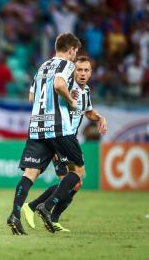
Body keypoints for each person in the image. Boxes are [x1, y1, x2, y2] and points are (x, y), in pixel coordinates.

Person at [7, 33, 83, 235]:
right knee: (77, 173)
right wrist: (71, 101)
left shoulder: (42, 67)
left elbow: (32, 98)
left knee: (29, 174)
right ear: (71, 49)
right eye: (76, 51)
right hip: (59, 127)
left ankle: (14, 214)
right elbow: (59, 85)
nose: (76, 56)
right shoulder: (66, 65)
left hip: (37, 127)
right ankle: (46, 207)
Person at [21, 55, 108, 232]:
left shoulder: (86, 91)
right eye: (79, 70)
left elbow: (88, 111)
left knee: (74, 183)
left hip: (69, 140)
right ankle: (43, 210)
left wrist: (99, 118)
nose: (82, 73)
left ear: (91, 73)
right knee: (71, 179)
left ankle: (41, 211)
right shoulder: (65, 88)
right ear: (72, 71)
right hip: (58, 138)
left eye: (86, 70)